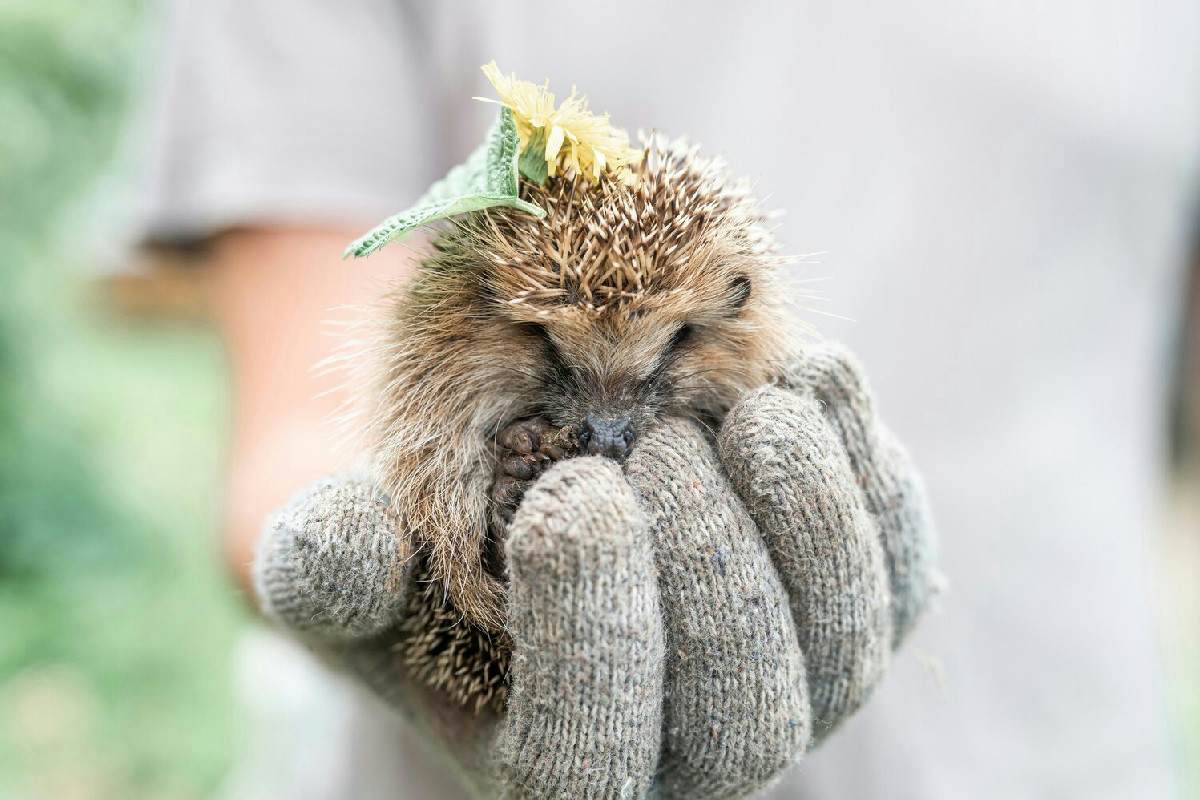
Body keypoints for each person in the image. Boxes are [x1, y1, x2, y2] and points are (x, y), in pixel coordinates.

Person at [131, 1, 1199, 797]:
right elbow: (308, 418)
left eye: (655, 359)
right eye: (558, 348)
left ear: (725, 310)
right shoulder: (467, 310)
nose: (604, 415)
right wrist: (413, 572)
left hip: (1054, 749)